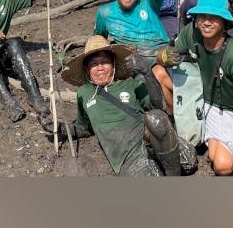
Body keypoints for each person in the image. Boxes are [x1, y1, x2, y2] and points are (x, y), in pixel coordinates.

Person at [152, 0, 233, 176]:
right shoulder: (192, 33)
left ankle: (230, 136)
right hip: (196, 93)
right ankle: (175, 121)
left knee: (223, 165)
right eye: (202, 17)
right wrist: (163, 56)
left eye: (213, 18)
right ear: (196, 19)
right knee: (158, 72)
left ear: (224, 23)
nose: (206, 22)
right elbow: (162, 58)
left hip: (224, 109)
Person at [53, 35, 198, 177]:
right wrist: (58, 127)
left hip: (152, 141)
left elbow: (159, 105)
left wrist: (147, 72)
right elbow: (84, 128)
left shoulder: (129, 84)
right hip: (128, 158)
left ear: (113, 64)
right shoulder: (84, 93)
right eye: (94, 64)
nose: (100, 68)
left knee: (188, 160)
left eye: (104, 62)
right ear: (87, 70)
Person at [93, 0, 171, 66]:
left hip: (164, 54)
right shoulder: (105, 12)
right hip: (137, 62)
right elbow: (98, 41)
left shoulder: (148, 3)